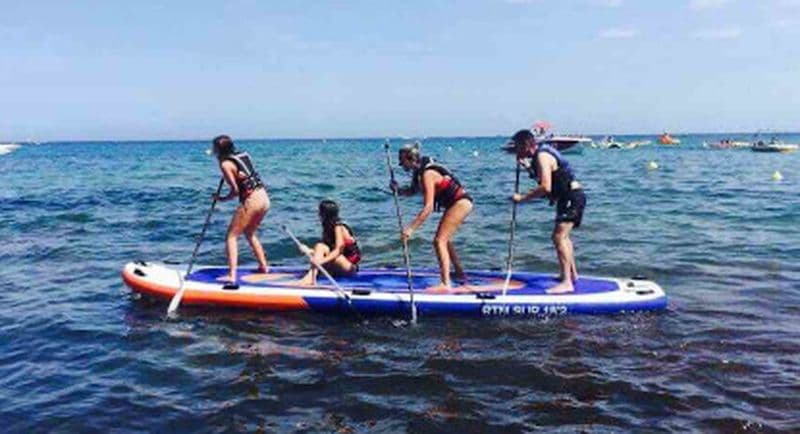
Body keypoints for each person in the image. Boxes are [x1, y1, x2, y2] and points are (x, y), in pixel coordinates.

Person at [509, 129, 586, 294]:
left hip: (571, 196)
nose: (515, 151)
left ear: (525, 145)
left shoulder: (543, 156)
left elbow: (545, 187)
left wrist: (522, 198)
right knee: (563, 237)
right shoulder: (539, 156)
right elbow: (546, 177)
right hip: (568, 197)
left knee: (559, 237)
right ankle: (572, 275)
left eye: (517, 147)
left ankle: (566, 282)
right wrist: (528, 168)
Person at [391, 142, 473, 290]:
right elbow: (411, 191)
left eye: (402, 161)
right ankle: (460, 273)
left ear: (410, 159)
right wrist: (398, 190)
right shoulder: (419, 173)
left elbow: (428, 207)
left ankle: (445, 283)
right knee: (445, 240)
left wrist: (411, 229)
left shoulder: (427, 174)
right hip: (458, 203)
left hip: (460, 203)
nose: (401, 165)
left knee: (438, 241)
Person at [211, 135, 270, 283]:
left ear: (218, 150)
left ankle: (232, 275)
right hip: (264, 197)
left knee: (231, 236)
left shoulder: (225, 165)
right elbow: (243, 173)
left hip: (252, 200)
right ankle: (263, 266)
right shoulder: (244, 154)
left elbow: (235, 191)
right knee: (249, 232)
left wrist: (221, 199)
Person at [297, 199, 361, 286]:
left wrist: (320, 262)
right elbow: (324, 251)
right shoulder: (328, 227)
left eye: (320, 212)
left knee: (323, 249)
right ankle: (311, 277)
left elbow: (339, 250)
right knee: (320, 246)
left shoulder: (339, 227)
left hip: (348, 267)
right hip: (336, 265)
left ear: (325, 214)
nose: (318, 215)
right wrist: (308, 251)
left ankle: (310, 277)